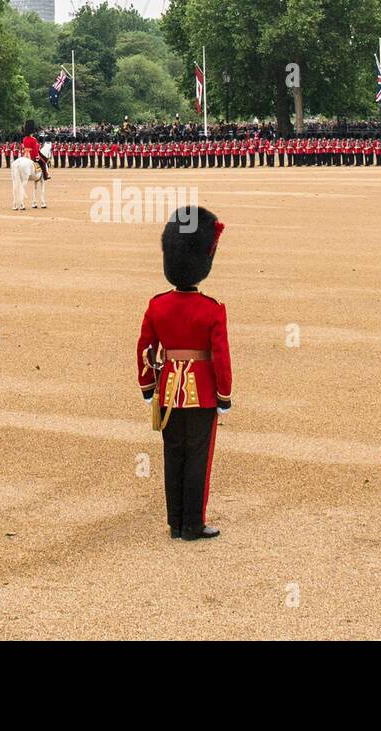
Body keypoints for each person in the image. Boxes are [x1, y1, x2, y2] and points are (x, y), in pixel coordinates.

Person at [136, 206, 232, 542]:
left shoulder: (157, 305)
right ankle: (194, 523)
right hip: (202, 392)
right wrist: (224, 396)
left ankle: (175, 523)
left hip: (167, 391)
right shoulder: (211, 309)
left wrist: (149, 386)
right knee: (197, 459)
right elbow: (220, 357)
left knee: (173, 454)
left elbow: (146, 349)